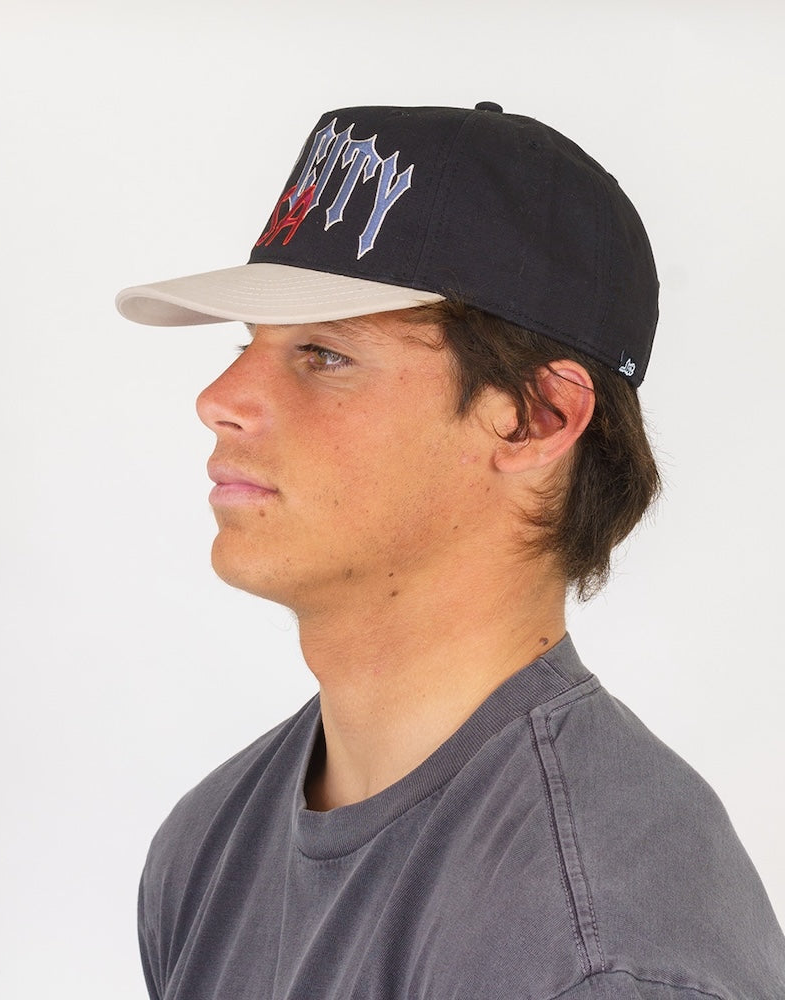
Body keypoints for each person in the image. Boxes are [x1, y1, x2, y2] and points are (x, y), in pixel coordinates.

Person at [116, 103, 785, 1000]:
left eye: (323, 354)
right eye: (249, 344)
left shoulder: (593, 951)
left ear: (537, 417)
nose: (220, 398)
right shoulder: (208, 849)